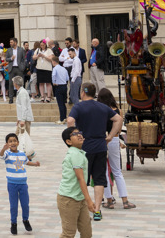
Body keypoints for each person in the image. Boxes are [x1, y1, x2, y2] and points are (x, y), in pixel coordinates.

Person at [67, 82, 123, 221]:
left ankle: (84, 209)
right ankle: (97, 210)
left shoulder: (78, 107)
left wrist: (75, 136)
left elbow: (70, 121)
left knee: (82, 179)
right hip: (100, 146)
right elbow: (118, 119)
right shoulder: (103, 107)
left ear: (83, 93)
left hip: (84, 148)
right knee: (99, 179)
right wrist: (110, 136)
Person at [97, 88, 134, 210]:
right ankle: (125, 200)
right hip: (114, 139)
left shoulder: (100, 110)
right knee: (117, 171)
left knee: (104, 172)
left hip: (103, 139)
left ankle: (109, 200)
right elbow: (118, 129)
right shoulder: (118, 111)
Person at [57, 126, 95, 238]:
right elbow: (80, 178)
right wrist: (89, 201)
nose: (79, 135)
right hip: (68, 199)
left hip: (79, 197)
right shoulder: (75, 154)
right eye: (74, 134)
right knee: (68, 234)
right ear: (68, 141)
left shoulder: (79, 152)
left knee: (86, 232)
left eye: (79, 132)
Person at [0, 132, 39, 235]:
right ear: (7, 143)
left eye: (14, 141)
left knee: (25, 204)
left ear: (18, 142)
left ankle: (25, 220)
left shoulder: (22, 153)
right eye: (10, 141)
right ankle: (13, 223)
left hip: (23, 184)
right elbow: (1, 155)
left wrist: (35, 164)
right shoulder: (7, 154)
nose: (12, 143)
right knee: (13, 205)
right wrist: (3, 149)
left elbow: (26, 162)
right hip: (12, 184)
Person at [51, 56, 70, 123]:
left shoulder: (55, 68)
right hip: (64, 86)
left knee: (60, 104)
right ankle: (64, 117)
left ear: (53, 61)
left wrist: (54, 82)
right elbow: (67, 78)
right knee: (64, 103)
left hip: (58, 86)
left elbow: (53, 75)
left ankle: (62, 119)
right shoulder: (64, 69)